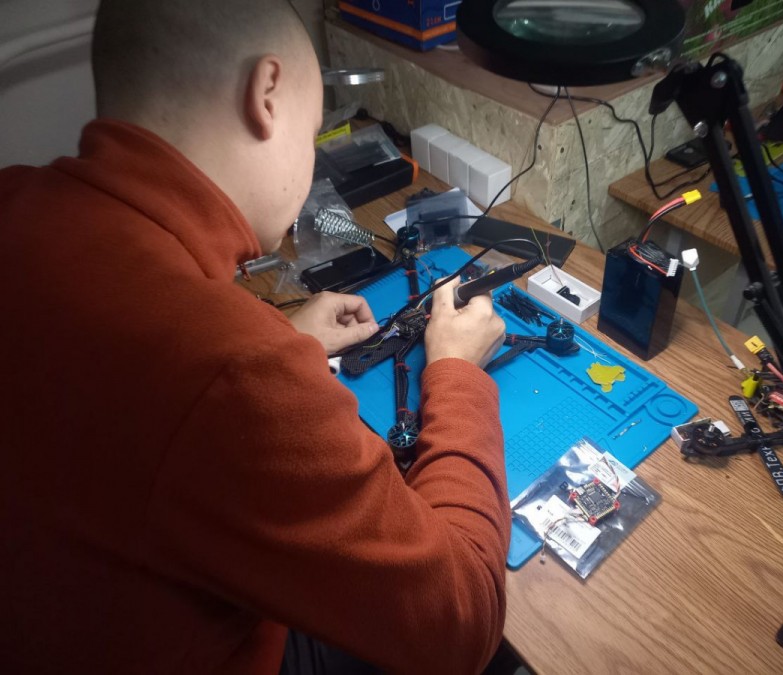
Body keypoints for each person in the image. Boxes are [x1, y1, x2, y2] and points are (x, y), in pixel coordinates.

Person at [0, 1, 510, 673]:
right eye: (311, 131)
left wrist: (277, 330)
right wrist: (458, 372)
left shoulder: (13, 203)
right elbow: (460, 622)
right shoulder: (232, 372)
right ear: (266, 95)